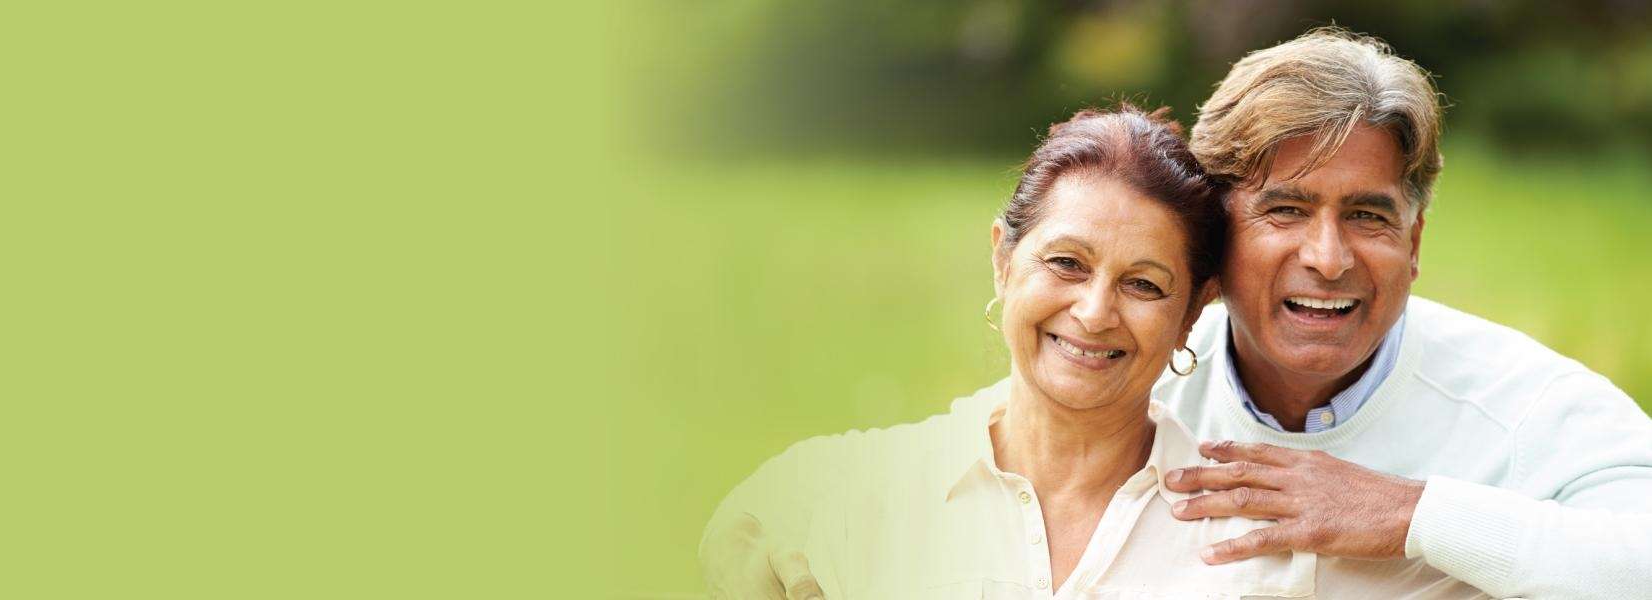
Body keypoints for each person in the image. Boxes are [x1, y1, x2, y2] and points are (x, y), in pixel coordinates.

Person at [702, 28, 1652, 600]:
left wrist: (1408, 515)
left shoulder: (1524, 410)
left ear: (1415, 240)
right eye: (1284, 209)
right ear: (1216, 247)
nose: (1328, 256)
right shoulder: (1139, 349)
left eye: (1369, 216)